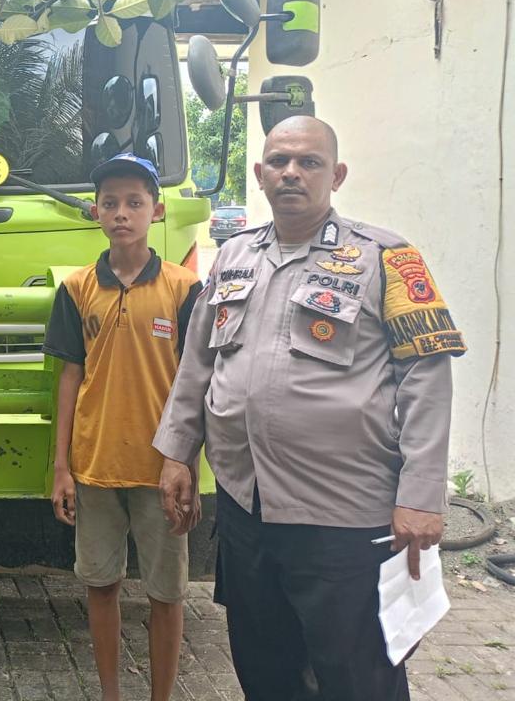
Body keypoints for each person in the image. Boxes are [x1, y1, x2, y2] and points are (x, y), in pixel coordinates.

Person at [154, 116, 465, 701]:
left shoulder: (387, 257)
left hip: (344, 516)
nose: (291, 173)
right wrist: (176, 454)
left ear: (337, 174)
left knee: (357, 675)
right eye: (279, 161)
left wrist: (421, 497)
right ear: (259, 173)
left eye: (309, 162)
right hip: (249, 511)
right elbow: (197, 363)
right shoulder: (233, 256)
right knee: (264, 667)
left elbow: (427, 377)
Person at [43, 153, 202, 701]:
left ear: (156, 211)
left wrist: (187, 463)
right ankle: (110, 692)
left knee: (166, 593)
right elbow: (70, 377)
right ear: (95, 212)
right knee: (101, 585)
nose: (122, 213)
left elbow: (198, 382)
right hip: (95, 466)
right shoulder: (78, 288)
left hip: (163, 469)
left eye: (135, 202)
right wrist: (61, 466)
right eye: (110, 202)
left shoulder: (185, 290)